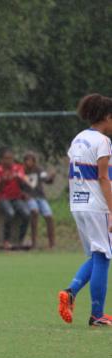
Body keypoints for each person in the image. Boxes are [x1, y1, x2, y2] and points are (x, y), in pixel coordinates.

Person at [58, 93, 112, 327]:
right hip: (96, 205)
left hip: (78, 203)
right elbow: (103, 178)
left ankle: (70, 292)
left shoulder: (78, 139)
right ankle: (97, 315)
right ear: (107, 117)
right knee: (104, 257)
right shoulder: (103, 141)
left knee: (97, 255)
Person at [0, 149, 31, 249]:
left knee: (27, 213)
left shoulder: (18, 168)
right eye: (6, 159)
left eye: (11, 159)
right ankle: (6, 240)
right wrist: (3, 181)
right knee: (10, 213)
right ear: (2, 160)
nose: (8, 161)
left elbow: (26, 182)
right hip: (3, 198)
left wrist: (19, 179)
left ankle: (20, 240)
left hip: (16, 197)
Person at [22, 151, 55, 248]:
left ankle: (52, 243)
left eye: (32, 160)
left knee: (49, 216)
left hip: (40, 197)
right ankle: (34, 242)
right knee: (34, 211)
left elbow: (46, 179)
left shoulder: (39, 171)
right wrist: (24, 194)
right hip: (29, 197)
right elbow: (19, 187)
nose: (29, 163)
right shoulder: (21, 172)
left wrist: (51, 177)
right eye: (27, 160)